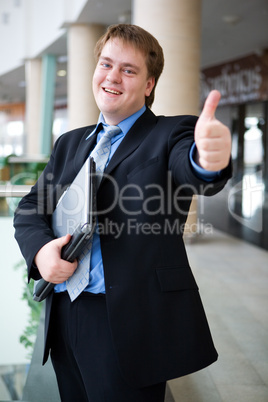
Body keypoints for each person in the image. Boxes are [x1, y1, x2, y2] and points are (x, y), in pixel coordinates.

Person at [14, 24, 232, 402]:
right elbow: (31, 208)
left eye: (128, 70)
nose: (112, 77)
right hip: (65, 315)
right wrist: (40, 252)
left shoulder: (171, 133)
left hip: (130, 325)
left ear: (149, 85)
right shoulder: (69, 142)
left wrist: (208, 160)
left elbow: (192, 168)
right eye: (106, 64)